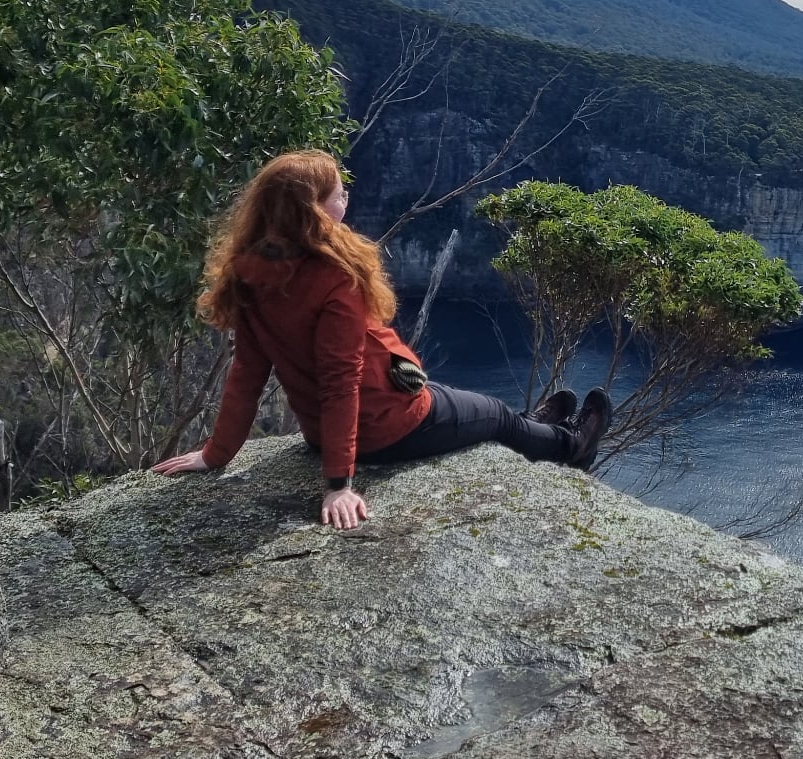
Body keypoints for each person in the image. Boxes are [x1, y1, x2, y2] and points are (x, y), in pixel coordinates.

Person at [152, 149, 609, 528]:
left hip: (335, 424)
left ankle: (537, 428)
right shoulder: (334, 277)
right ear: (314, 210)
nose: (345, 198)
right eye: (337, 194)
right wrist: (339, 486)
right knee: (493, 414)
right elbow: (340, 383)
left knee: (472, 407)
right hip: (386, 428)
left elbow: (247, 373)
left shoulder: (249, 273)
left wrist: (217, 455)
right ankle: (571, 446)